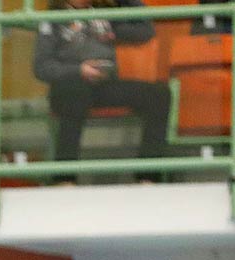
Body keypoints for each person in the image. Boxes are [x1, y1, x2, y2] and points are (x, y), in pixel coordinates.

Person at [34, 0, 169, 170]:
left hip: (103, 85)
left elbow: (146, 31)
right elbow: (41, 67)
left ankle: (148, 176)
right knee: (75, 94)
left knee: (158, 94)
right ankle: (64, 178)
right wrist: (79, 70)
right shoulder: (52, 20)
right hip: (69, 85)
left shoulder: (106, 14)